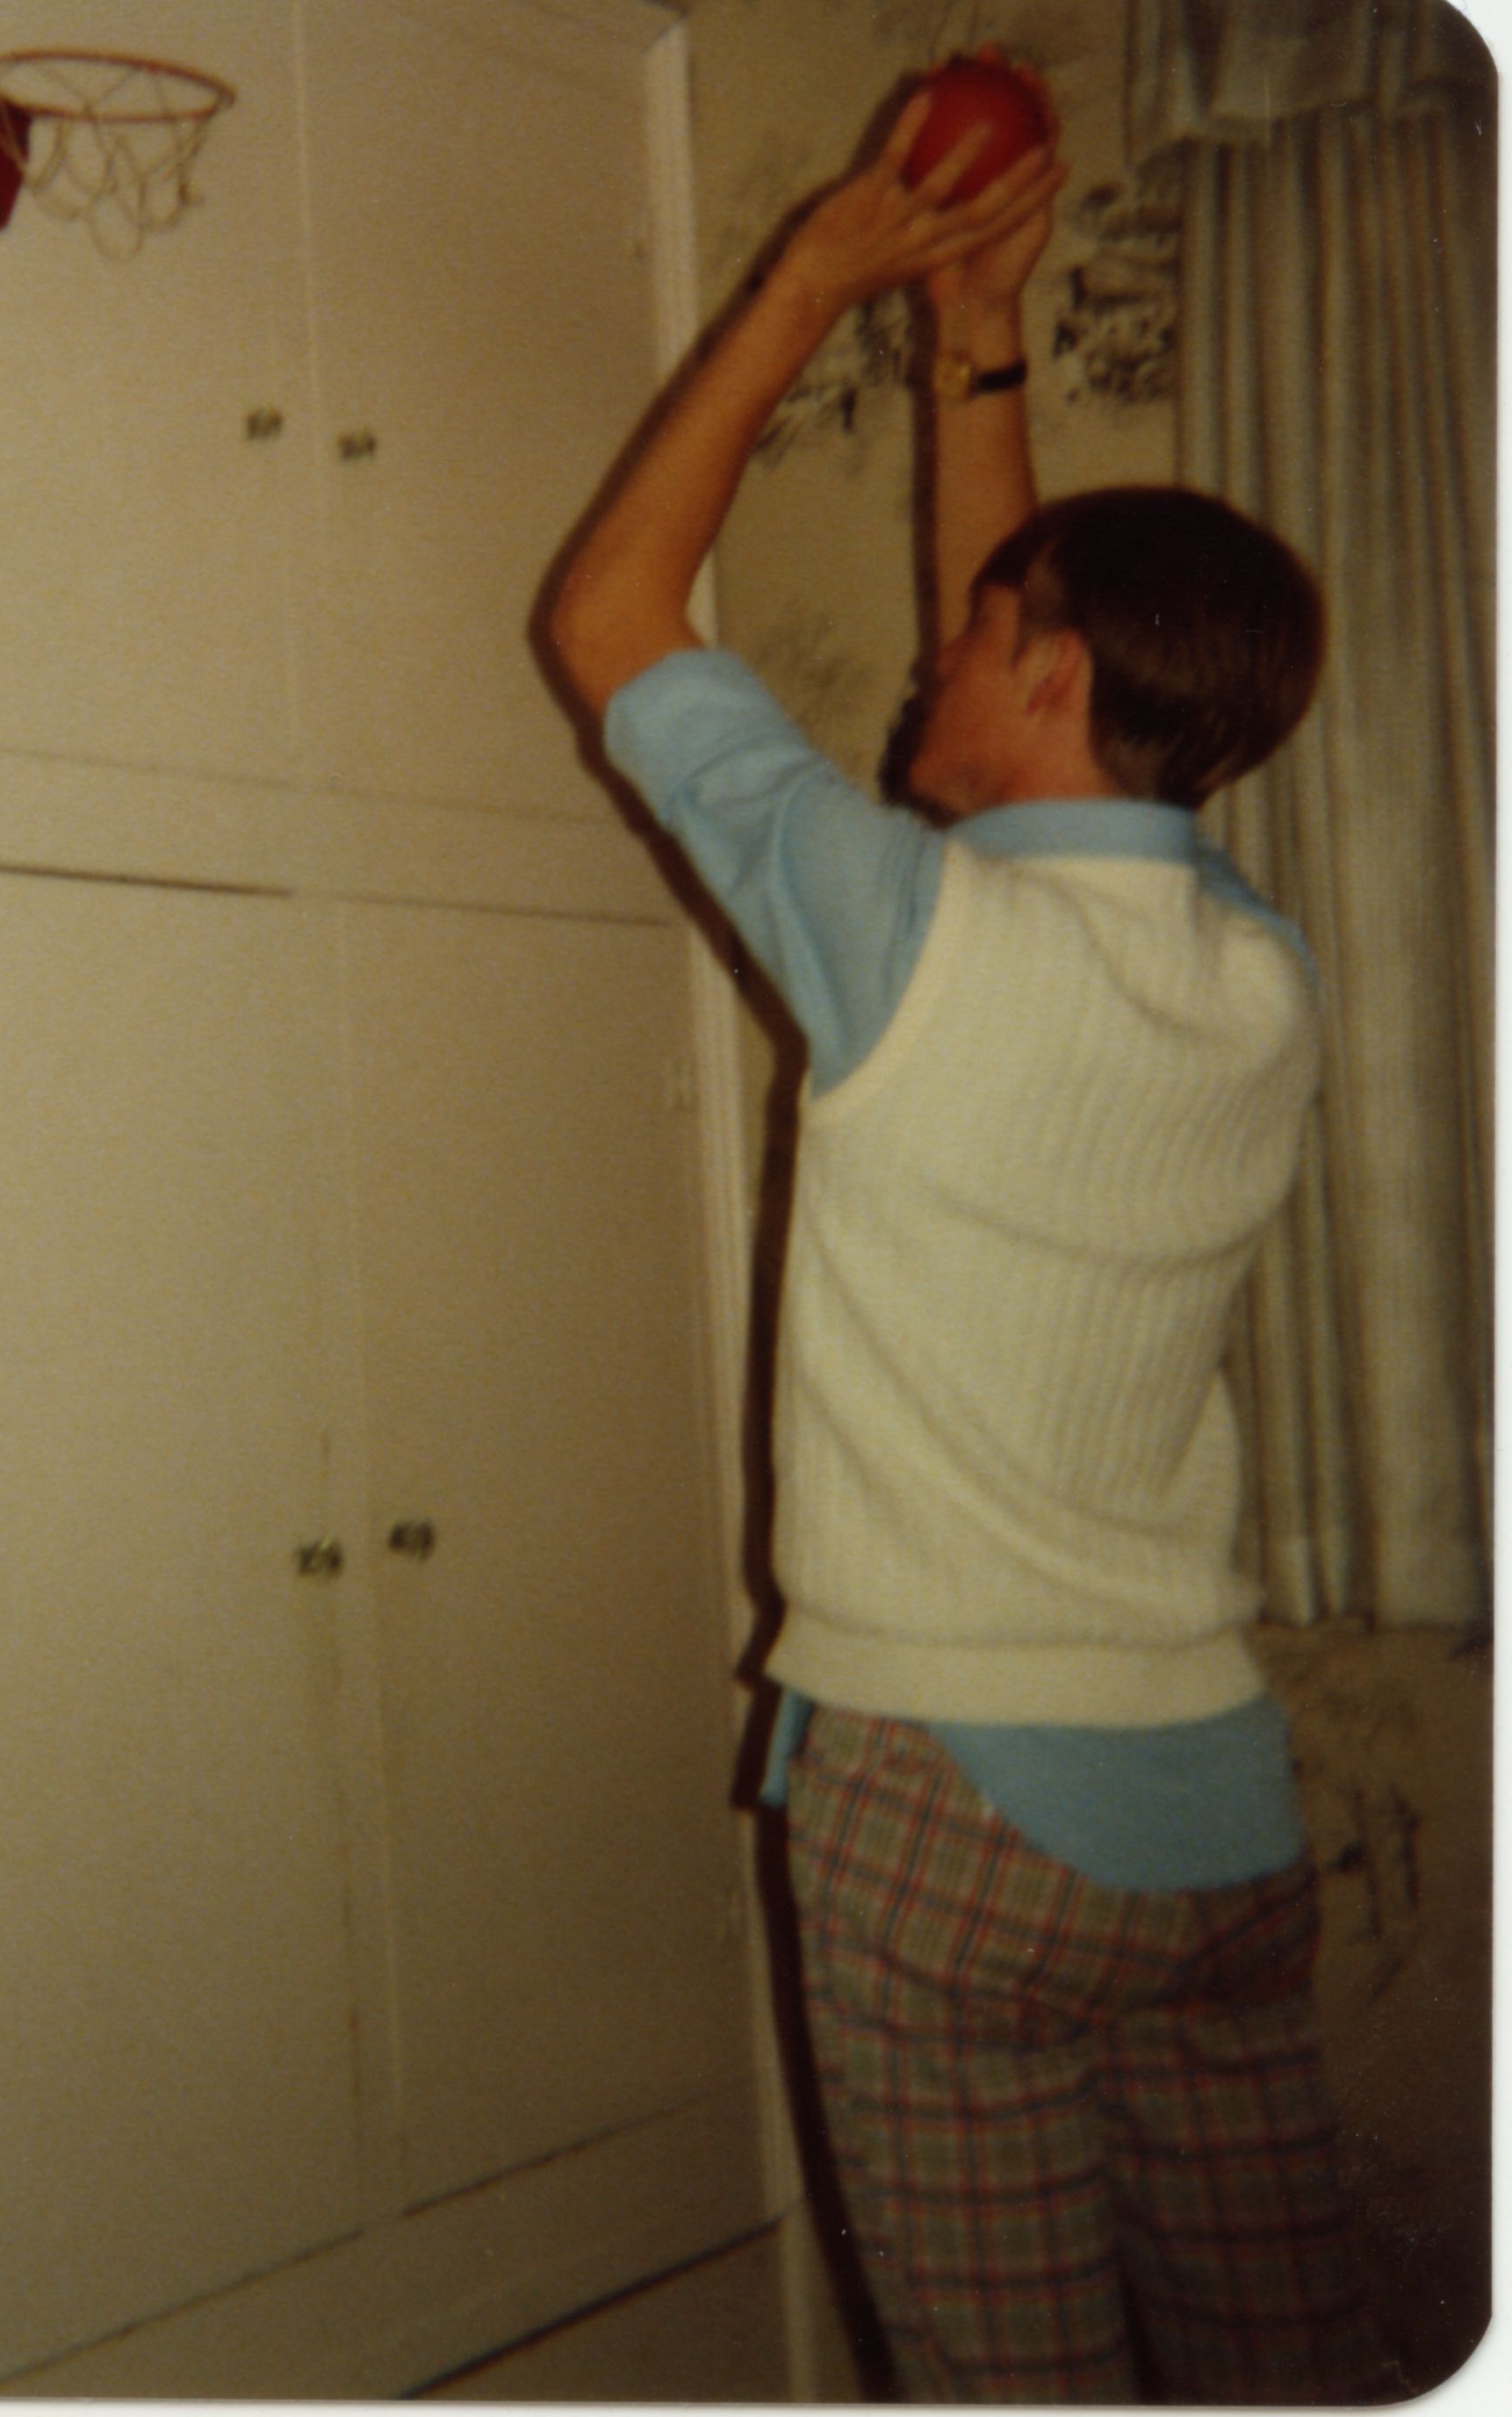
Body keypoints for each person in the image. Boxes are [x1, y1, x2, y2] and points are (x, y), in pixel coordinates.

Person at [547, 69, 1391, 2406]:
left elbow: (608, 613)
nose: (934, 661)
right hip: (1213, 1818)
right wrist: (978, 337)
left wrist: (811, 277)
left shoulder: (912, 937)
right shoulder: (1255, 974)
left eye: (978, 639)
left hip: (955, 1806)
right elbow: (1031, 711)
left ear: (1051, 678)